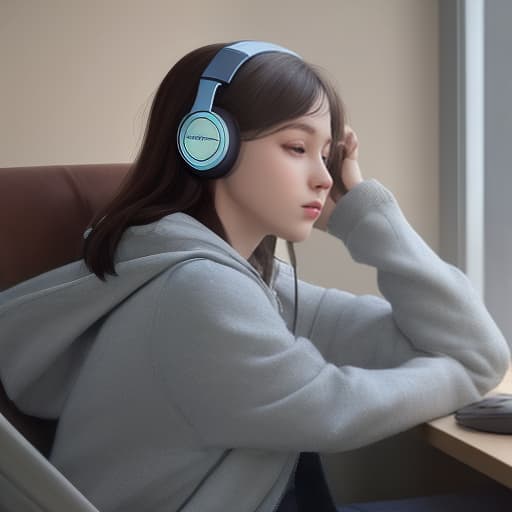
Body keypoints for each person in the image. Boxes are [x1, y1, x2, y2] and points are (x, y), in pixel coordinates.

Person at [0, 40, 510, 512]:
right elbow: (335, 407)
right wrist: (460, 374)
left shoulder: (251, 284)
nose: (326, 177)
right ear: (208, 144)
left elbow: (477, 348)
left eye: (328, 154)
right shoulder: (197, 294)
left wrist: (362, 212)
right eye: (296, 147)